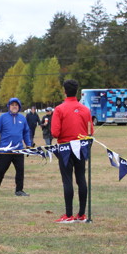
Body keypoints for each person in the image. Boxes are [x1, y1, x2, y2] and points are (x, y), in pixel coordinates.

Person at [50, 79, 94, 223]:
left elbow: (55, 132)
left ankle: (68, 215)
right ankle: (81, 214)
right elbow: (91, 131)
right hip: (81, 148)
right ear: (77, 91)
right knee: (81, 179)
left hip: (65, 149)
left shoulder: (59, 109)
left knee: (67, 181)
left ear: (64, 91)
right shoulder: (85, 109)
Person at [0, 97, 31, 197]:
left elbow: (26, 132)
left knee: (20, 171)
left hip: (19, 150)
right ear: (9, 106)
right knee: (0, 170)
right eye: (12, 105)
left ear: (19, 107)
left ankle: (19, 190)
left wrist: (28, 145)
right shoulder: (3, 117)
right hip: (5, 150)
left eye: (16, 105)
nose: (14, 107)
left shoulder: (22, 118)